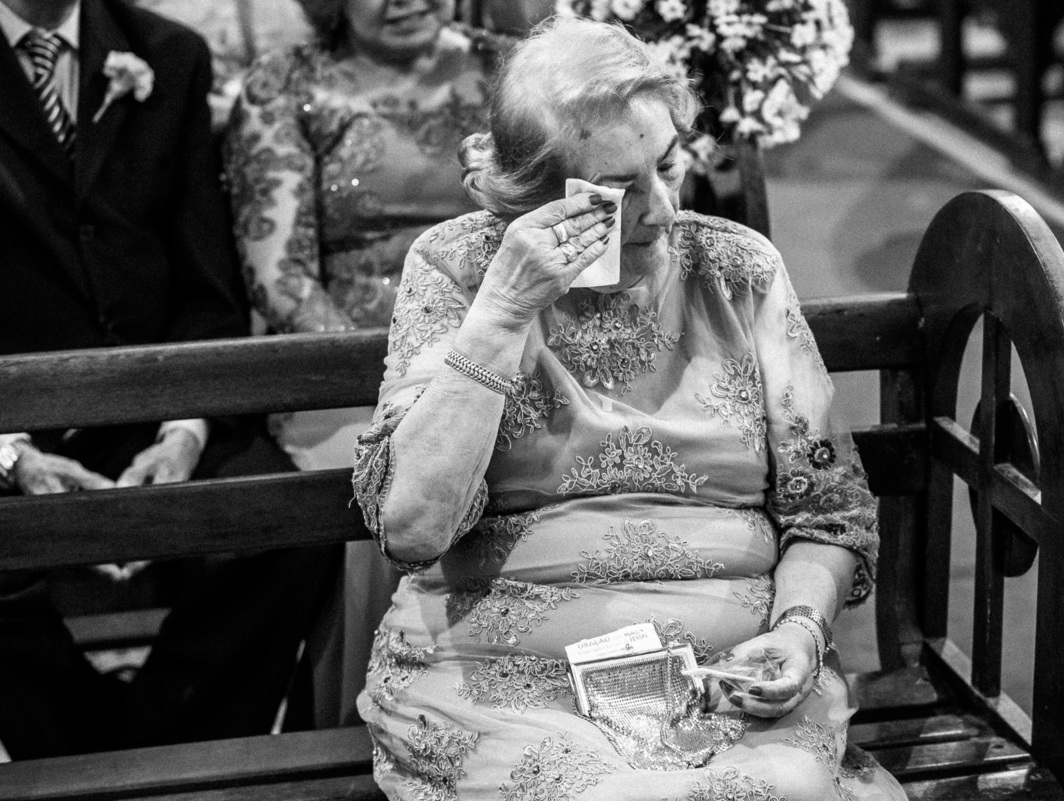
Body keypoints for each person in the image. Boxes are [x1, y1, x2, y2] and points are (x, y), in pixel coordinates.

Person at [351, 16, 907, 800]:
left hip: (725, 682)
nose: (663, 208)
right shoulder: (459, 271)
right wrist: (503, 314)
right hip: (507, 683)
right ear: (535, 197)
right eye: (618, 191)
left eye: (667, 164)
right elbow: (414, 527)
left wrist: (800, 630)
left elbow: (828, 512)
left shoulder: (737, 269)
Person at [0, 0, 334, 758]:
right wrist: (13, 453)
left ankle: (158, 757)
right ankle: (86, 761)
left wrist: (183, 430)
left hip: (156, 400)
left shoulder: (167, 54)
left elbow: (206, 275)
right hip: (11, 417)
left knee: (279, 530)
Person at [224, 0, 496, 726]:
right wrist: (411, 383)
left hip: (511, 356)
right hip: (353, 377)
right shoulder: (284, 84)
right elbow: (280, 280)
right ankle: (370, 730)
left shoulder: (508, 70)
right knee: (393, 479)